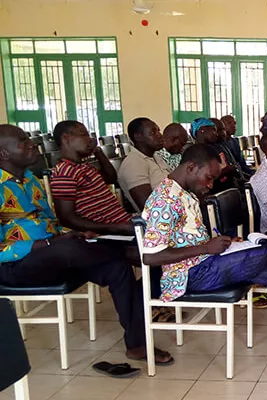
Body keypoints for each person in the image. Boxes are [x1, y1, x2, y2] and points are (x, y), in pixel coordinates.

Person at [0, 124, 173, 365]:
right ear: (3, 154)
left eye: (29, 139)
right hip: (16, 266)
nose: (32, 144)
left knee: (117, 267)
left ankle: (137, 344)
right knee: (81, 248)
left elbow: (51, 223)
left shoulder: (30, 180)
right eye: (22, 141)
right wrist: (51, 242)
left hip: (53, 254)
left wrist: (70, 234)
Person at [141, 143, 267, 361]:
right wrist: (205, 248)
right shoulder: (164, 200)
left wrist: (221, 243)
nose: (210, 185)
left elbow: (186, 238)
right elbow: (150, 256)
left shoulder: (184, 193)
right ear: (191, 167)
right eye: (208, 178)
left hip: (208, 262)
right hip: (190, 275)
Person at [50, 120, 133, 235]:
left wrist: (97, 151)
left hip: (123, 225)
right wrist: (113, 227)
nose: (90, 140)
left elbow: (110, 177)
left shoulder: (84, 166)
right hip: (110, 233)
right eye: (84, 135)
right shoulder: (64, 172)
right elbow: (66, 218)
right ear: (66, 138)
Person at [118, 117, 169, 212]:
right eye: (153, 133)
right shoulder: (133, 163)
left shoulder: (156, 157)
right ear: (138, 137)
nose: (160, 135)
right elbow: (148, 206)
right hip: (161, 217)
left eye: (158, 131)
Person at [191, 118, 243, 193]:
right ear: (202, 130)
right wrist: (227, 169)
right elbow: (204, 177)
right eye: (213, 130)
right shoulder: (196, 152)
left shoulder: (215, 147)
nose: (216, 134)